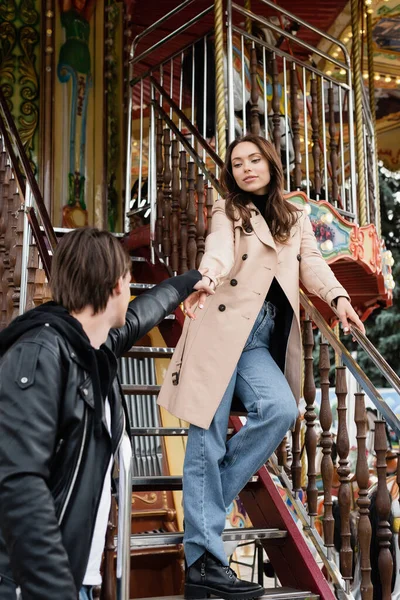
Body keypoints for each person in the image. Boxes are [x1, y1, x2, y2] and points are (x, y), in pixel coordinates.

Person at [157, 134, 365, 600]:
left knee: (280, 409)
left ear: (270, 163)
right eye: (237, 163)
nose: (246, 168)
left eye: (254, 160)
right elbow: (217, 249)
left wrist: (339, 298)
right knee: (204, 441)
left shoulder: (294, 215)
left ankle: (205, 509)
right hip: (218, 327)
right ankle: (204, 566)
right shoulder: (227, 210)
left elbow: (312, 264)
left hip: (258, 338)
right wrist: (205, 278)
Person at [0, 227, 213, 600]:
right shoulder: (40, 354)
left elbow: (142, 314)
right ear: (116, 286)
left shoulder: (94, 349)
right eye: (129, 281)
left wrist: (194, 280)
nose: (131, 292)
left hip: (75, 575)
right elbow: (19, 482)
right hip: (32, 584)